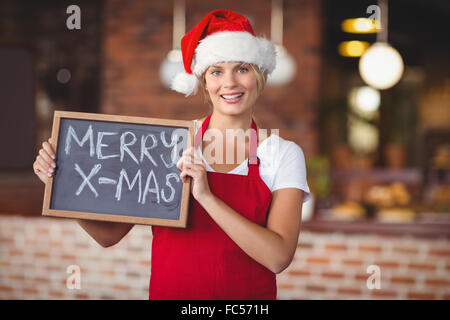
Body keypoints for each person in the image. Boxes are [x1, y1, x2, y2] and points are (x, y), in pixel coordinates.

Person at [33, 9, 310, 300]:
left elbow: (278, 257)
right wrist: (60, 183)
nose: (229, 83)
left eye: (242, 69)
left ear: (259, 76)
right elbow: (108, 236)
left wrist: (206, 198)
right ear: (204, 81)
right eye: (216, 71)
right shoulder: (169, 143)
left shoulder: (282, 154)